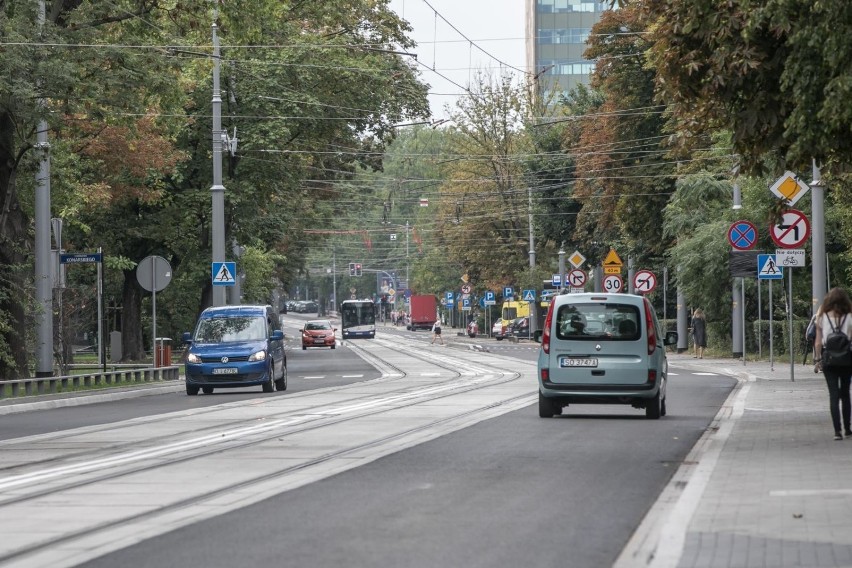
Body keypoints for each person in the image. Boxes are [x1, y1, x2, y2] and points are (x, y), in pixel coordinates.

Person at [814, 287, 852, 440]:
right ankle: (848, 429)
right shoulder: (850, 317)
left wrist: (817, 360)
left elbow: (818, 342)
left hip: (828, 359)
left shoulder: (822, 318)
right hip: (847, 360)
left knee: (833, 395)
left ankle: (837, 432)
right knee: (845, 393)